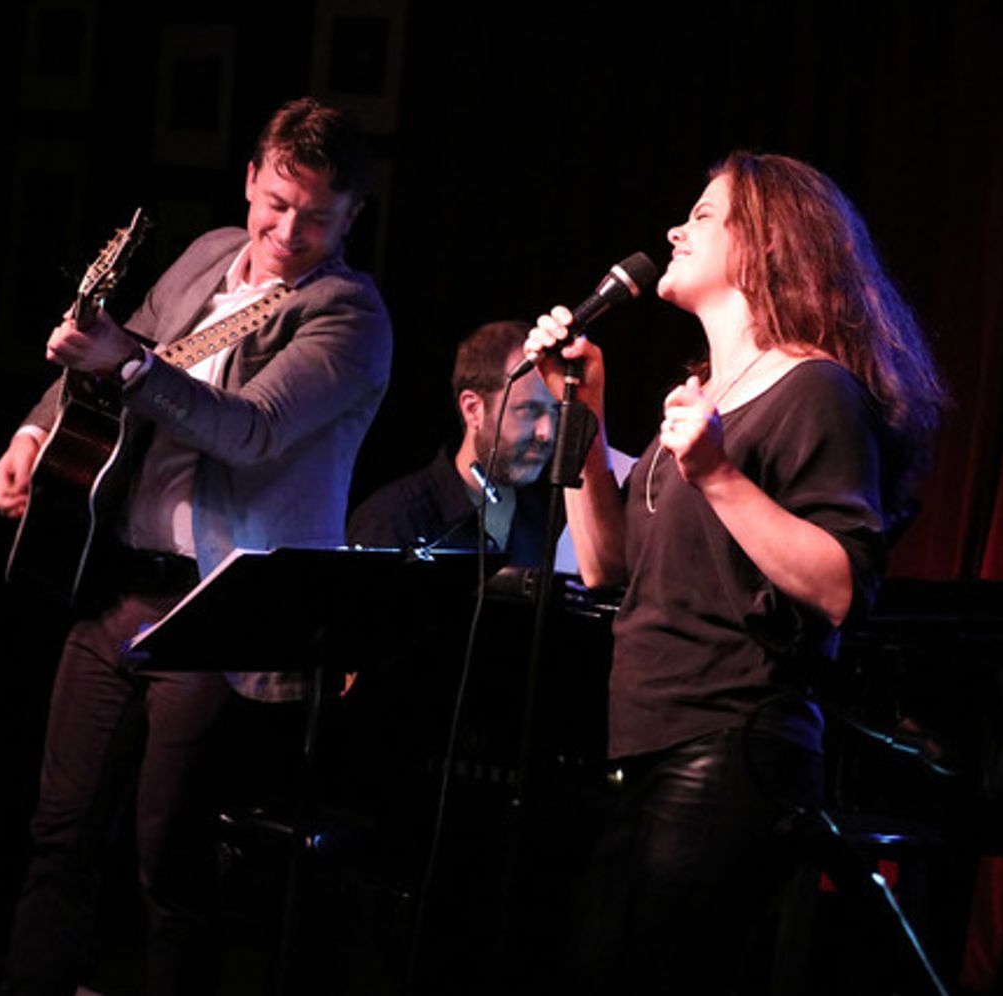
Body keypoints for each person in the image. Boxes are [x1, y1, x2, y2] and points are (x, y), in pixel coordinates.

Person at [0, 97, 392, 995]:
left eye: (317, 216)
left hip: (220, 614)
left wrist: (132, 366)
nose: (287, 231)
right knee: (59, 838)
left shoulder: (348, 314)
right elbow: (103, 353)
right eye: (276, 203)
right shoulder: (210, 252)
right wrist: (33, 432)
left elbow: (248, 430)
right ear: (250, 179)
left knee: (170, 864)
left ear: (352, 216)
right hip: (117, 590)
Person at [526, 151, 943, 994]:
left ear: (768, 244)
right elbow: (606, 564)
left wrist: (718, 473)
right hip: (643, 740)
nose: (675, 231)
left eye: (703, 216)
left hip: (730, 746)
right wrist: (582, 412)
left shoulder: (816, 391)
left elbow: (840, 586)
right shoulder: (701, 397)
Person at [348, 318, 634, 570]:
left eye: (555, 413)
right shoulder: (393, 519)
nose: (547, 432)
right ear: (473, 409)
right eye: (528, 410)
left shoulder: (550, 523)